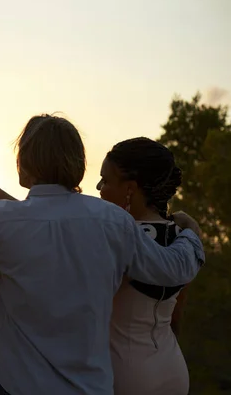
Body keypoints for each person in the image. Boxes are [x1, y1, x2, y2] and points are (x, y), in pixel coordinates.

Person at [0, 114, 205, 395]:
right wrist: (189, 233)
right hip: (91, 386)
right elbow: (173, 268)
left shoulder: (1, 220)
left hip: (18, 386)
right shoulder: (113, 221)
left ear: (26, 162)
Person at [98, 137, 189, 394]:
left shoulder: (114, 240)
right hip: (172, 368)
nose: (99, 188)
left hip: (126, 375)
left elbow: (44, 228)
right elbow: (175, 317)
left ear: (130, 188)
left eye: (105, 180)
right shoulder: (182, 236)